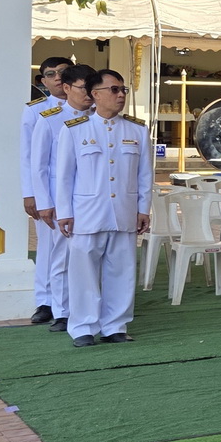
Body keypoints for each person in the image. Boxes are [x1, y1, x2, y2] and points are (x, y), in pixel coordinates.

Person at [52, 68, 151, 346]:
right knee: (83, 272)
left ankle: (115, 326)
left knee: (121, 270)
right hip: (86, 213)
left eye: (123, 90)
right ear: (95, 95)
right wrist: (65, 213)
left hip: (123, 211)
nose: (120, 95)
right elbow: (64, 175)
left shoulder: (137, 130)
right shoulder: (74, 129)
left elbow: (145, 175)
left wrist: (143, 209)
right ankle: (83, 327)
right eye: (114, 90)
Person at [38, 65, 99, 331]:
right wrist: (45, 203)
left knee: (92, 257)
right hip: (60, 199)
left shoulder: (102, 118)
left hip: (92, 201)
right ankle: (61, 311)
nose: (88, 94)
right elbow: (39, 165)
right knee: (61, 256)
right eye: (83, 87)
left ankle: (91, 308)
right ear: (67, 88)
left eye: (92, 88)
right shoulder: (49, 118)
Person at [22, 57, 75, 325]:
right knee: (47, 248)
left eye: (63, 73)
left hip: (79, 193)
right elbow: (29, 156)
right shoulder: (36, 111)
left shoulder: (86, 108)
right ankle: (45, 301)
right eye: (51, 74)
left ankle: (71, 300)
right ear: (43, 81)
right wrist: (31, 193)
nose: (58, 78)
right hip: (49, 191)